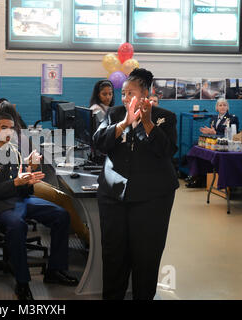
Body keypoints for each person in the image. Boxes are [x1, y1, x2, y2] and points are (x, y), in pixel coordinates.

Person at [92, 68, 179, 300]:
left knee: (146, 257)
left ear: (145, 94)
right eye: (123, 93)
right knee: (113, 256)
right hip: (113, 196)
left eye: (130, 93)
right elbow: (98, 142)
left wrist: (146, 123)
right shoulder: (114, 113)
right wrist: (124, 123)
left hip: (153, 198)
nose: (124, 98)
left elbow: (166, 151)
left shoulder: (165, 117)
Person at [0, 111, 78, 300]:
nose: (8, 131)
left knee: (61, 215)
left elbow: (24, 191)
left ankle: (54, 270)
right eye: (3, 127)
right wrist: (16, 183)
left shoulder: (14, 151)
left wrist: (29, 177)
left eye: (11, 128)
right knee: (17, 225)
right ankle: (22, 282)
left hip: (19, 200)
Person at [0, 101, 90, 245]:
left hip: (13, 184)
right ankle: (85, 236)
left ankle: (72, 228)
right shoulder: (17, 137)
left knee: (61, 194)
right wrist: (30, 164)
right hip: (20, 185)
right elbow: (18, 167)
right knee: (64, 198)